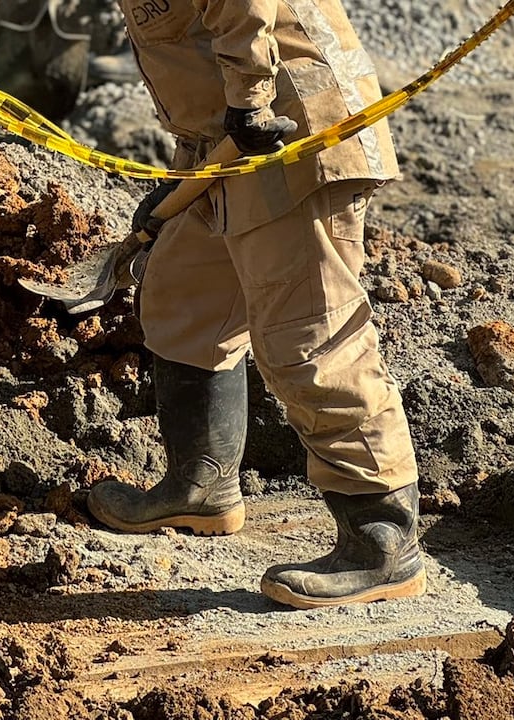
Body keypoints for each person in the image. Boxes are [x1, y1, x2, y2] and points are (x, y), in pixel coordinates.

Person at [85, 0, 425, 610]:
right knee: (184, 297)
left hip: (283, 127)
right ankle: (202, 487)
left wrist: (248, 99)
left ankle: (382, 544)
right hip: (221, 142)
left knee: (310, 340)